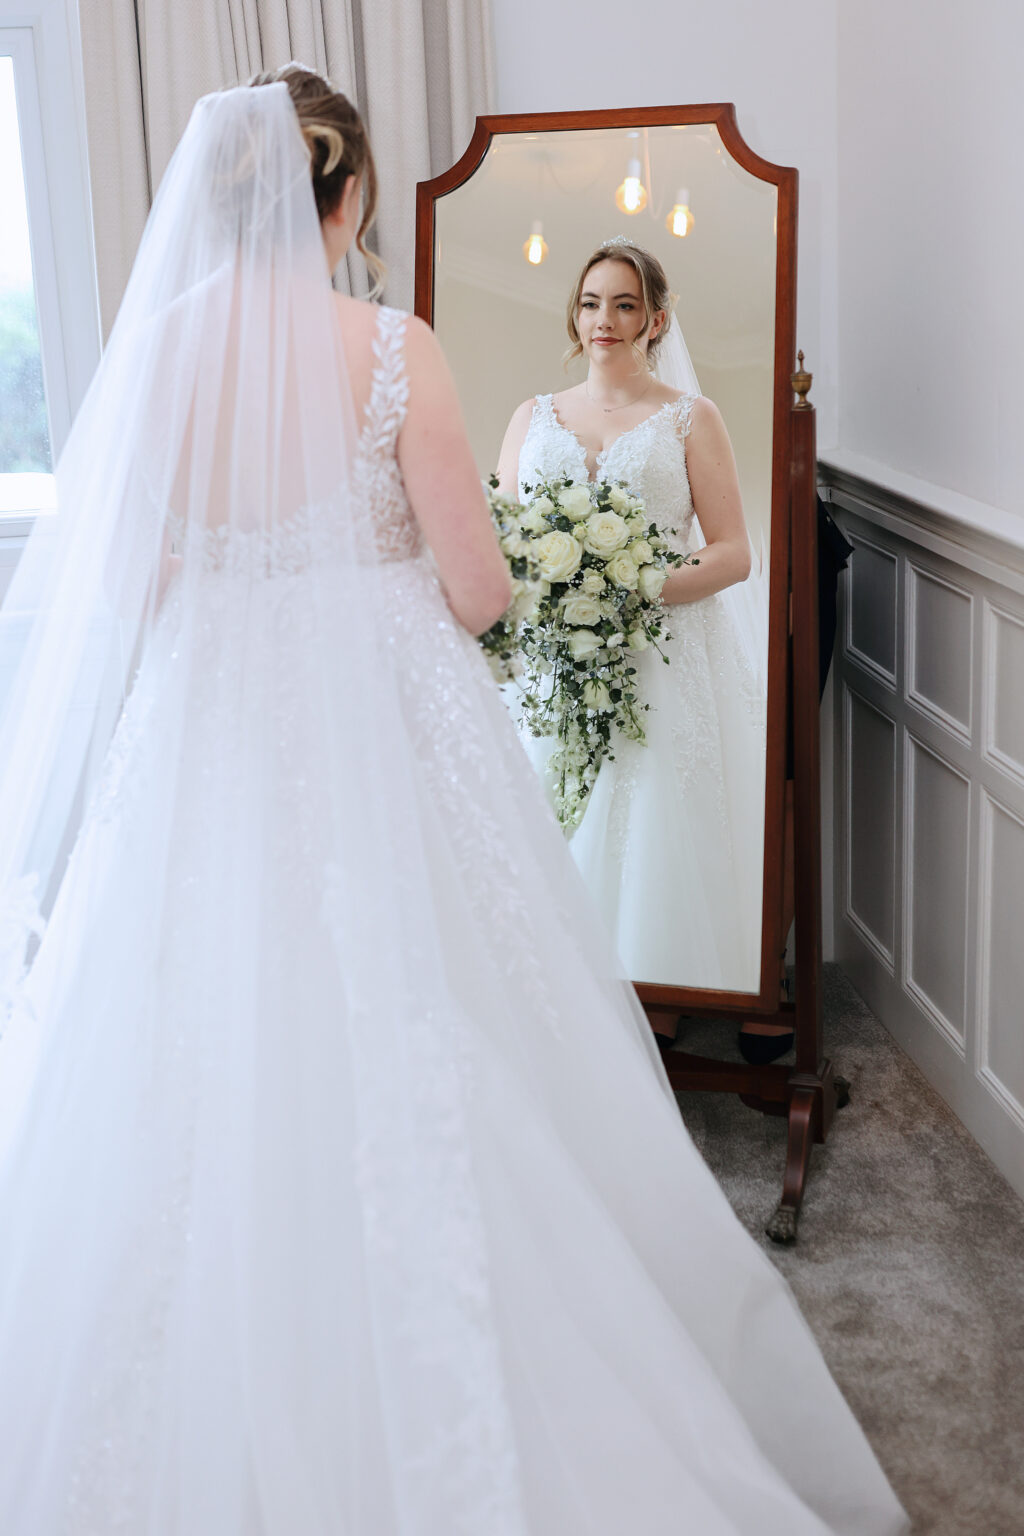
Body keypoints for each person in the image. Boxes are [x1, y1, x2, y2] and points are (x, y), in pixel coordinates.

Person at [0, 68, 906, 1534]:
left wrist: (244, 591)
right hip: (373, 703)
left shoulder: (158, 351)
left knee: (188, 1008)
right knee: (430, 1000)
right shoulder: (390, 346)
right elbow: (478, 590)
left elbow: (127, 577)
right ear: (348, 194)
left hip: (207, 707)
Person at [497, 241, 769, 997]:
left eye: (623, 304)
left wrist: (635, 582)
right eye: (591, 302)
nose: (604, 320)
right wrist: (542, 582)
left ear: (655, 318)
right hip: (551, 658)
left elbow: (733, 553)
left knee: (651, 831)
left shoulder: (689, 418)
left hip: (660, 656)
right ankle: (558, 997)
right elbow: (502, 534)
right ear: (575, 314)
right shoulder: (532, 415)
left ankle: (657, 995)